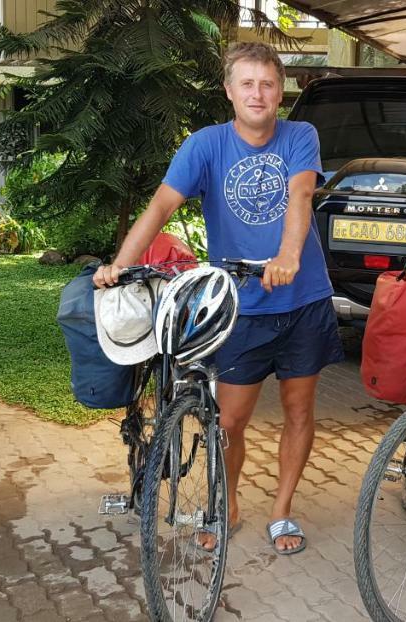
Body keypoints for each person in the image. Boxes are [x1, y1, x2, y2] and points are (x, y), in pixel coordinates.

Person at [93, 41, 342, 556]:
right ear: (229, 92)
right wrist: (120, 263)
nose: (259, 93)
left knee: (299, 410)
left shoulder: (301, 135)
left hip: (303, 302)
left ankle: (282, 511)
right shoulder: (205, 145)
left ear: (280, 91)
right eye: (247, 83)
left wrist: (289, 254)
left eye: (268, 83)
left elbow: (299, 195)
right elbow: (162, 205)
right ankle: (225, 504)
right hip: (239, 306)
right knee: (229, 420)